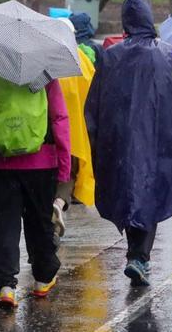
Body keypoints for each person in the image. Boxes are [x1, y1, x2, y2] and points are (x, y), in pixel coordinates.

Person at [85, 0, 172, 287]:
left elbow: (95, 103)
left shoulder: (111, 56)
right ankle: (140, 257)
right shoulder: (168, 54)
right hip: (160, 139)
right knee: (152, 194)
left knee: (129, 191)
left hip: (119, 140)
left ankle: (136, 255)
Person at [0, 73, 71, 310]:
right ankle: (42, 279)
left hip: (3, 164)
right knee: (39, 222)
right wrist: (64, 165)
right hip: (42, 162)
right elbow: (59, 118)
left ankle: (6, 285)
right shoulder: (45, 76)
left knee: (5, 223)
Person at [56, 46, 96, 227]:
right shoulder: (80, 59)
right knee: (69, 172)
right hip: (73, 131)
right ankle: (59, 202)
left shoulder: (42, 55)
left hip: (44, 131)